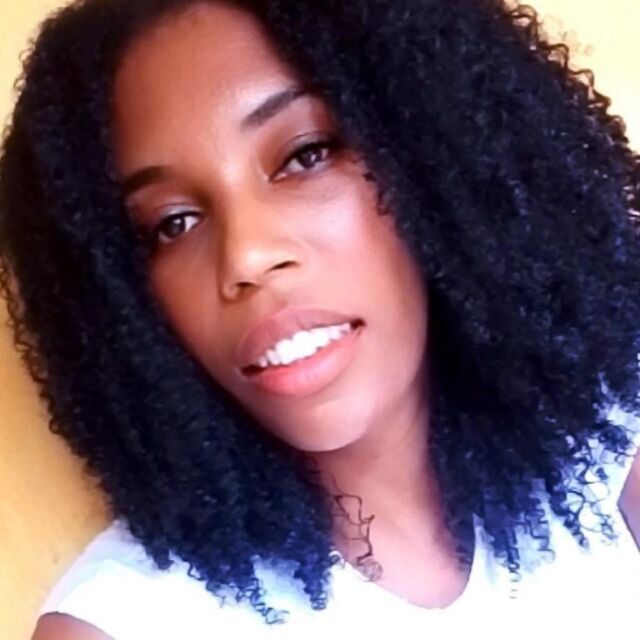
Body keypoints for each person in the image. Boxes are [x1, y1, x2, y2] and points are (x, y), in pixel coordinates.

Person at [0, 0, 638, 637]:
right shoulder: (123, 625)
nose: (247, 256)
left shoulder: (601, 455)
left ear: (433, 152)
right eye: (173, 224)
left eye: (305, 155)